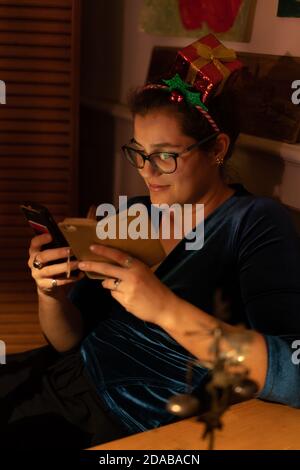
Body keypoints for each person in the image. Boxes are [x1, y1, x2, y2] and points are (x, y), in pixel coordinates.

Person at [1, 35, 300, 449]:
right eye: (138, 153)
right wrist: (53, 295)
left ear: (217, 149)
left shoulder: (254, 221)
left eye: (165, 156)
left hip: (126, 420)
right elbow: (68, 340)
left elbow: (291, 372)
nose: (146, 171)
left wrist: (162, 306)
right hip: (66, 375)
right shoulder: (137, 213)